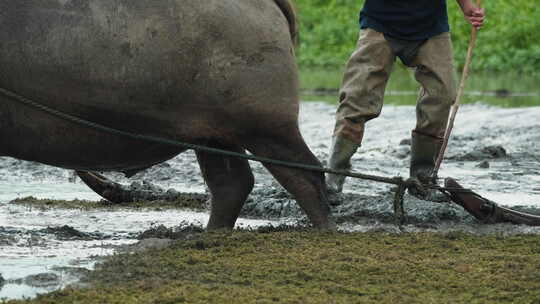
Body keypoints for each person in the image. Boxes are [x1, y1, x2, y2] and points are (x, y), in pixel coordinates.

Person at [326, 0, 485, 197]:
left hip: (431, 27)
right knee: (357, 96)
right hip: (380, 24)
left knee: (442, 94)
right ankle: (333, 176)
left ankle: (423, 178)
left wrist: (467, 6)